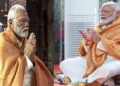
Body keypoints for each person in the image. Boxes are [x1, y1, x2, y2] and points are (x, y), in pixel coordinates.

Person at [60, 1, 120, 86]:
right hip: (96, 58)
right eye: (100, 11)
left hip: (115, 59)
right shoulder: (99, 27)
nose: (102, 14)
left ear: (117, 13)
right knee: (66, 64)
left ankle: (88, 82)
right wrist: (88, 41)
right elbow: (86, 52)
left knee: (105, 70)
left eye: (106, 11)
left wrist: (100, 41)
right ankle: (96, 80)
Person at [0, 4, 53, 86]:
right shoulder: (2, 42)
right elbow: (6, 79)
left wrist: (32, 60)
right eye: (22, 21)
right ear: (11, 23)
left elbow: (33, 69)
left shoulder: (26, 42)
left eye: (27, 20)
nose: (27, 24)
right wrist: (27, 59)